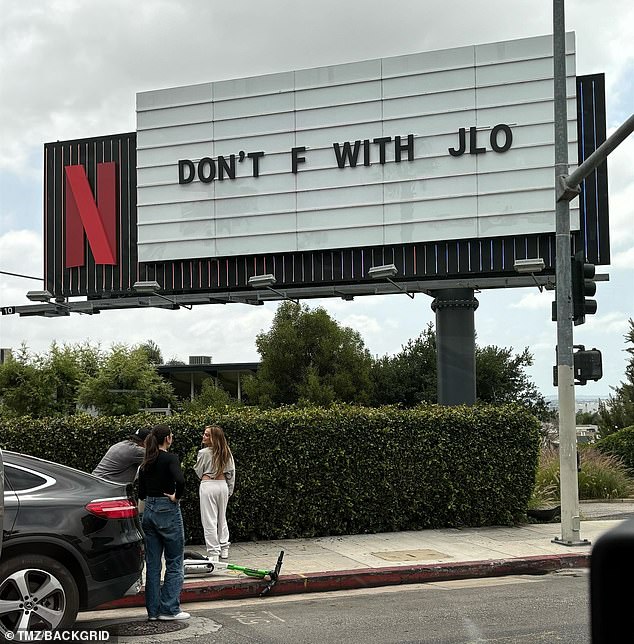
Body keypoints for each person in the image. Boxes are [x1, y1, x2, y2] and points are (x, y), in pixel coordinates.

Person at [138, 424, 189, 621]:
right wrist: (177, 497)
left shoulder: (146, 462)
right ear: (167, 438)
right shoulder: (171, 458)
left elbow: (141, 493)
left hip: (149, 510)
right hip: (167, 509)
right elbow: (181, 480)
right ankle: (169, 609)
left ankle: (153, 612)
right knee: (175, 560)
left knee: (152, 564)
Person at [194, 425, 236, 562]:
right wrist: (229, 490)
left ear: (213, 438)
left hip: (208, 485)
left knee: (209, 520)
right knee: (221, 517)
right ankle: (224, 548)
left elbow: (199, 472)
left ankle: (213, 552)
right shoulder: (226, 452)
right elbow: (231, 473)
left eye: (207, 435)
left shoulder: (203, 453)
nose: (203, 436)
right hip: (222, 485)